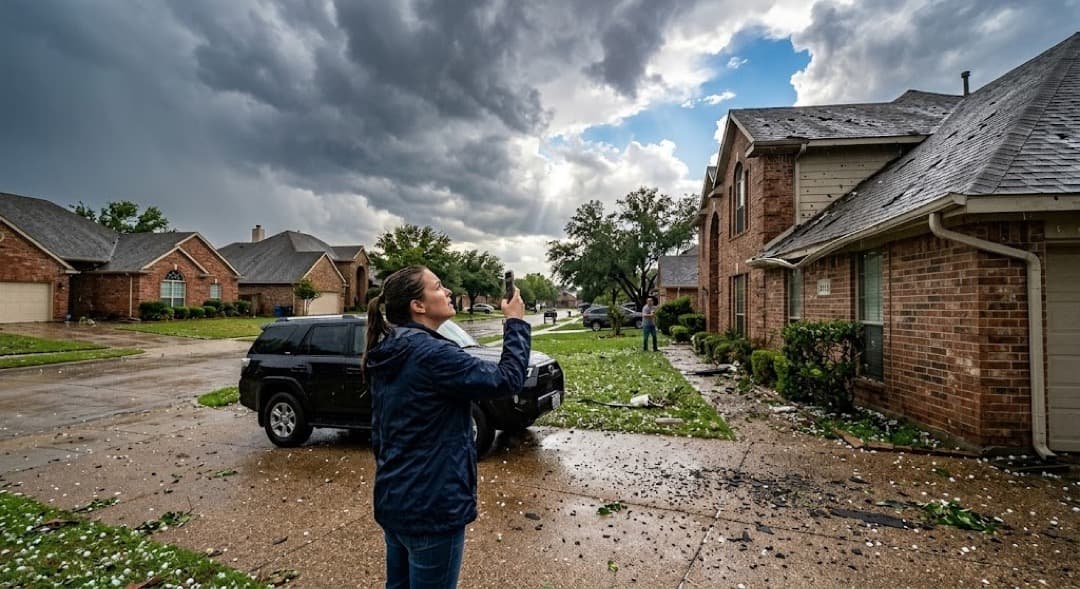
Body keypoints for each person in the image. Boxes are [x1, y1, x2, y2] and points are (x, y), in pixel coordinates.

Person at [363, 265, 530, 589]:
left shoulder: (388, 350)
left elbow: (380, 433)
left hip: (395, 501)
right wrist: (515, 323)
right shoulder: (431, 354)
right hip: (432, 509)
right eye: (438, 286)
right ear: (418, 306)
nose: (449, 291)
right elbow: (507, 380)